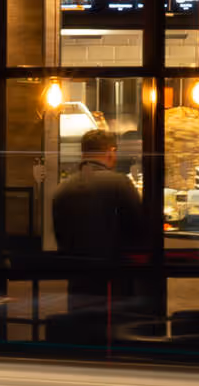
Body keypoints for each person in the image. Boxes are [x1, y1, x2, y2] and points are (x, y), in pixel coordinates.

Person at [47, 127, 136, 340]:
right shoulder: (120, 183)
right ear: (111, 152)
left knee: (81, 332)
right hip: (113, 276)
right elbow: (138, 226)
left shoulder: (63, 188)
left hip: (77, 275)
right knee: (112, 333)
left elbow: (59, 233)